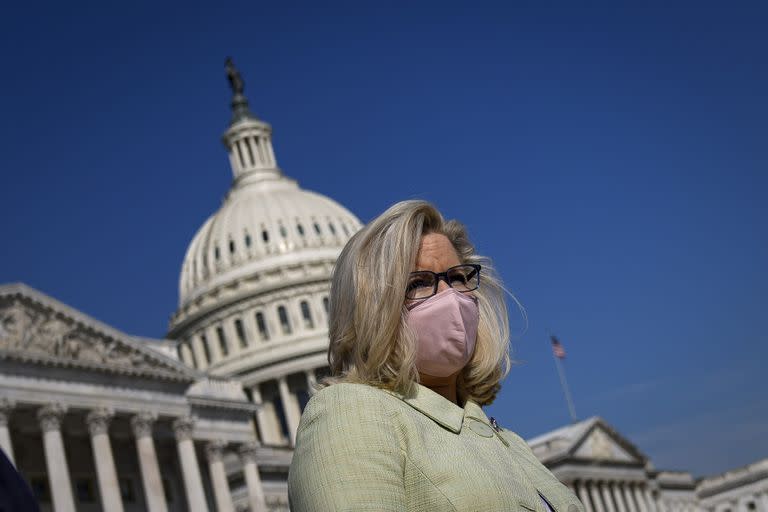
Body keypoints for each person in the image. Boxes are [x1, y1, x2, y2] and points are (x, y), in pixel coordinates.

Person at [288, 200, 585, 512]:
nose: (451, 296)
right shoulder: (349, 412)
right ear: (373, 309)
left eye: (458, 277)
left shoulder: (509, 440)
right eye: (418, 282)